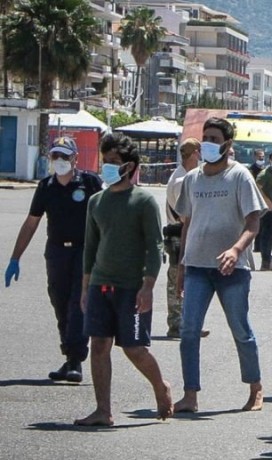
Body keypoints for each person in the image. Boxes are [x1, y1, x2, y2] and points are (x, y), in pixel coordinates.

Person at [75, 132, 172, 426]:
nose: (107, 167)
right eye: (105, 161)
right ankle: (103, 410)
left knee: (133, 348)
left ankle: (160, 386)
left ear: (129, 167)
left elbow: (155, 246)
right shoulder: (96, 201)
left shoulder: (143, 201)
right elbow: (90, 247)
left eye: (114, 162)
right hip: (99, 285)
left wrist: (148, 287)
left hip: (131, 288)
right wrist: (84, 287)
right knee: (99, 345)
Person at [173, 117, 266, 413]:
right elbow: (187, 224)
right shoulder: (192, 179)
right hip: (198, 267)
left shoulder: (240, 176)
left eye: (214, 138)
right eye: (205, 138)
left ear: (227, 144)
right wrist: (182, 266)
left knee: (240, 329)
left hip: (232, 270)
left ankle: (255, 387)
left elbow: (253, 223)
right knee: (188, 330)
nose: (208, 144)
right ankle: (190, 394)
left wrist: (235, 250)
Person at [4, 136, 103, 382]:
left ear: (75, 158)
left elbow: (107, 216)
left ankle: (75, 361)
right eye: (55, 156)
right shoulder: (46, 186)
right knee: (59, 301)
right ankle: (69, 353)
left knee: (77, 303)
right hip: (57, 250)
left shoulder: (90, 182)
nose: (60, 161)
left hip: (85, 250)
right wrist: (15, 258)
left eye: (65, 156)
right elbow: (32, 222)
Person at [164, 138, 202, 338]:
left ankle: (187, 322)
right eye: (199, 152)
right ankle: (177, 324)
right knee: (176, 279)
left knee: (187, 280)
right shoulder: (181, 181)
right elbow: (185, 215)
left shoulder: (186, 176)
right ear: (194, 153)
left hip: (183, 232)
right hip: (179, 233)